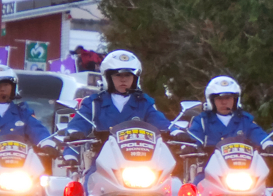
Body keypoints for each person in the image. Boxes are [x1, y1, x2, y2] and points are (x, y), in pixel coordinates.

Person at [64, 50, 186, 182]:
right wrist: (75, 134)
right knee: (90, 187)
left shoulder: (144, 102)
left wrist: (177, 132)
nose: (123, 79)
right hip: (103, 161)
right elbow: (78, 124)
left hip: (142, 161)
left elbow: (160, 121)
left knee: (169, 190)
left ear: (135, 77)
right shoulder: (94, 103)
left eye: (128, 75)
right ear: (107, 77)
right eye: (118, 75)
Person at [187, 76, 273, 180]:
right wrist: (190, 146)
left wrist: (269, 144)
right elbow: (193, 136)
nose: (224, 102)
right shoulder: (202, 120)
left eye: (228, 98)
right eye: (219, 98)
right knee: (195, 190)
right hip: (209, 171)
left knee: (263, 192)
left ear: (235, 100)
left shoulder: (245, 120)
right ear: (211, 100)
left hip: (244, 171)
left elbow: (257, 133)